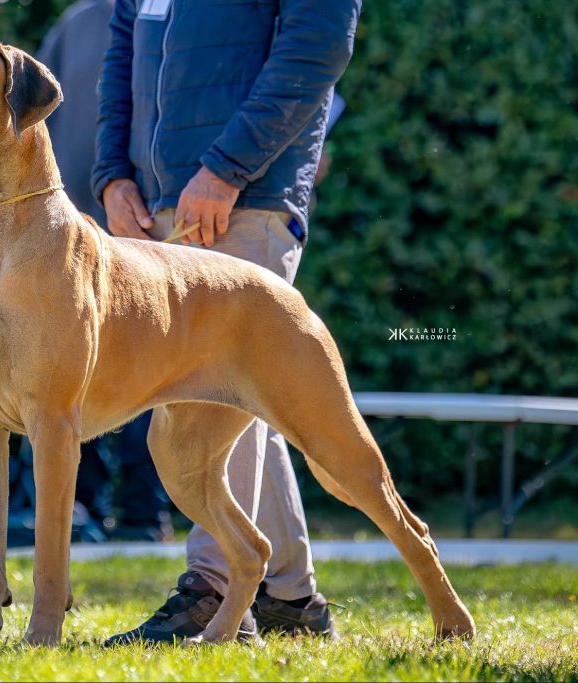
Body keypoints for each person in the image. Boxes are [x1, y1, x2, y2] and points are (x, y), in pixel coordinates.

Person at [92, 0, 361, 643]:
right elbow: (122, 55)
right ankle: (291, 600)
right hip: (160, 204)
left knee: (217, 393)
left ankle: (214, 590)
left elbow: (317, 48)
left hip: (243, 198)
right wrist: (111, 176)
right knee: (240, 398)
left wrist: (225, 170)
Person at [36, 0, 173, 543]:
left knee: (79, 366)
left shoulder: (75, 19)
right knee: (144, 358)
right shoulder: (88, 18)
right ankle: (137, 512)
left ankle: (89, 509)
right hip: (127, 208)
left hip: (90, 214)